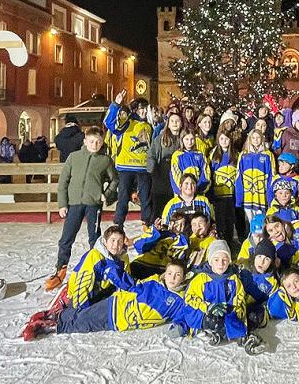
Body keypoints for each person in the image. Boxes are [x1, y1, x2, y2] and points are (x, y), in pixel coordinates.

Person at [23, 259, 189, 340]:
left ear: (184, 277)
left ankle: (53, 319)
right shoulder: (154, 283)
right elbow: (132, 286)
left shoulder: (178, 300)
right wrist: (112, 272)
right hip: (116, 306)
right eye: (170, 273)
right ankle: (47, 324)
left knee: (86, 322)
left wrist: (181, 327)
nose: (172, 278)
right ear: (165, 274)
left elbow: (184, 315)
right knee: (83, 320)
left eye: (177, 275)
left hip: (121, 322)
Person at [45, 126, 118, 291]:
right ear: (85, 141)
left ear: (102, 142)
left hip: (93, 204)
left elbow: (115, 179)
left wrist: (106, 194)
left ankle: (96, 270)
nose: (95, 145)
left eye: (98, 142)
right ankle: (60, 270)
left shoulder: (105, 160)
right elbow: (63, 182)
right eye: (91, 141)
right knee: (66, 238)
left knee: (95, 238)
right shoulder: (74, 157)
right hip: (75, 204)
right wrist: (62, 204)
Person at [183, 240, 266, 355]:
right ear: (210, 261)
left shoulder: (233, 279)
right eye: (216, 260)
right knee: (212, 320)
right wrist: (208, 307)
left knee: (240, 319)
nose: (220, 264)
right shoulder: (201, 279)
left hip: (226, 312)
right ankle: (208, 332)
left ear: (229, 261)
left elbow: (239, 298)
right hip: (206, 312)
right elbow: (190, 298)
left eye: (225, 260)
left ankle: (244, 339)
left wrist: (233, 311)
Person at [104, 90, 154, 227]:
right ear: (135, 110)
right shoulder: (127, 123)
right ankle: (118, 225)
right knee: (123, 197)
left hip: (143, 168)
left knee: (145, 198)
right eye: (141, 108)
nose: (144, 111)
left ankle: (147, 225)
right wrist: (116, 104)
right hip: (126, 167)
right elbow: (109, 123)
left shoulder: (148, 126)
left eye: (146, 108)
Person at [64, 225, 132, 310]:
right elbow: (83, 285)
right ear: (105, 241)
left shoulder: (123, 258)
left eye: (120, 241)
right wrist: (81, 309)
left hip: (103, 292)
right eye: (113, 240)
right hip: (79, 294)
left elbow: (127, 280)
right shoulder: (94, 256)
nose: (116, 245)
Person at [235, 129, 276, 226]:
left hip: (262, 196)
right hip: (248, 196)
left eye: (258, 137)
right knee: (250, 224)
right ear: (249, 139)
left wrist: (270, 198)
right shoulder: (243, 155)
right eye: (253, 138)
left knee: (262, 223)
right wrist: (239, 198)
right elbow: (238, 177)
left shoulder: (268, 155)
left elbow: (272, 177)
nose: (256, 140)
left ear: (262, 138)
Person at [238, 238, 280, 330]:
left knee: (254, 316)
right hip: (239, 303)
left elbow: (273, 301)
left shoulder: (271, 281)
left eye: (267, 259)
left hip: (255, 308)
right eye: (259, 256)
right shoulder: (243, 270)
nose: (262, 262)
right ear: (254, 256)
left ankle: (247, 331)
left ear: (271, 262)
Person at [147, 112, 182, 219]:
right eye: (172, 121)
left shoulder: (184, 138)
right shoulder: (160, 139)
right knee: (159, 206)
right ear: (168, 124)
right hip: (162, 173)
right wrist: (152, 171)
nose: (175, 123)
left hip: (179, 174)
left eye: (177, 121)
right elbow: (152, 155)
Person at [208, 129, 238, 246]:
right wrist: (211, 194)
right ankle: (221, 242)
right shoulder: (213, 155)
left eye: (226, 139)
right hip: (219, 194)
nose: (224, 141)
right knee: (220, 220)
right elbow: (210, 175)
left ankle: (230, 243)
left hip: (232, 194)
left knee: (230, 220)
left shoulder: (235, 154)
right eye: (221, 139)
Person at [170, 129, 210, 195]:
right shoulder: (177, 155)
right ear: (182, 139)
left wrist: (198, 189)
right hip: (182, 195)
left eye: (192, 139)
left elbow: (206, 173)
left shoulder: (200, 154)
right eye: (187, 139)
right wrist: (183, 191)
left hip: (198, 192)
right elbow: (174, 175)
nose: (189, 142)